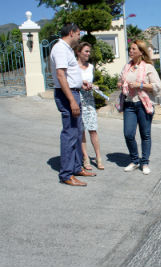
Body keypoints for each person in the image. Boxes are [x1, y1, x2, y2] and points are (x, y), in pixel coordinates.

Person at [51, 23, 96, 187]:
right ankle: (66, 174)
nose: (79, 37)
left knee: (77, 133)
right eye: (78, 34)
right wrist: (71, 100)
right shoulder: (60, 49)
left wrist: (79, 83)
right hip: (67, 95)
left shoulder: (66, 49)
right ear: (71, 33)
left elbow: (68, 75)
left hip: (73, 91)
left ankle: (77, 168)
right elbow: (60, 75)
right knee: (70, 134)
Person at [118, 40, 161, 175]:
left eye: (133, 49)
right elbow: (120, 80)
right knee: (128, 134)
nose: (130, 51)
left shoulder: (148, 67)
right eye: (129, 49)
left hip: (144, 104)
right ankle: (135, 160)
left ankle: (145, 162)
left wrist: (139, 85)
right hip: (129, 104)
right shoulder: (126, 67)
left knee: (145, 134)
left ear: (141, 52)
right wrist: (121, 84)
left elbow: (157, 86)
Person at [75, 42, 104, 170]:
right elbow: (71, 83)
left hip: (89, 100)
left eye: (89, 51)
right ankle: (85, 158)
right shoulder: (73, 67)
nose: (88, 54)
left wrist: (94, 86)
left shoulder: (91, 66)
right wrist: (81, 84)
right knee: (81, 130)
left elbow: (94, 82)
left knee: (93, 129)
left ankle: (98, 158)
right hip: (78, 99)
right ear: (78, 52)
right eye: (86, 51)